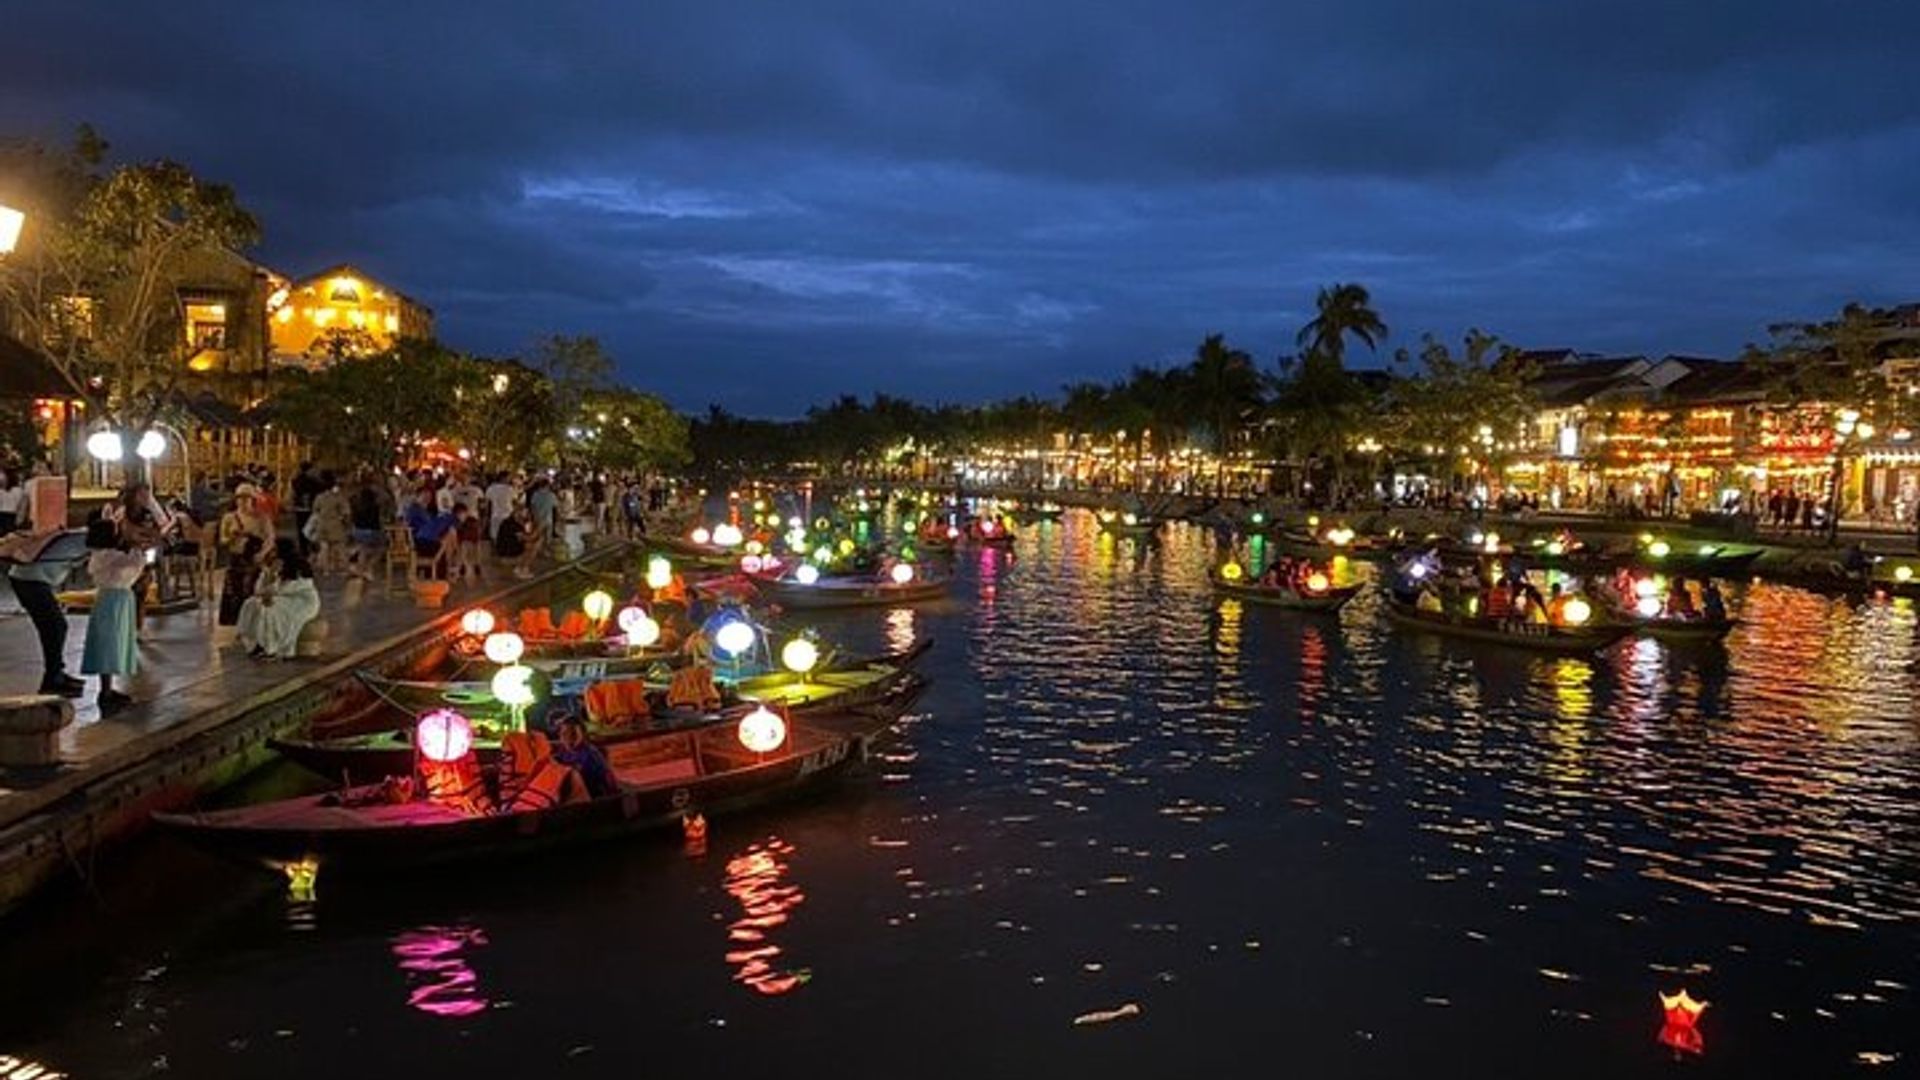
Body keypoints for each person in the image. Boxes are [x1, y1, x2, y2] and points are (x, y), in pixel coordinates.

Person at [80, 518, 145, 713]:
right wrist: (136, 548)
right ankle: (105, 693)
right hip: (114, 601)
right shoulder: (109, 556)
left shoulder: (102, 555)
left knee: (112, 644)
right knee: (108, 645)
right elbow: (135, 566)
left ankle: (107, 689)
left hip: (114, 599)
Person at [237, 539, 321, 660]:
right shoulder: (273, 565)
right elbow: (258, 590)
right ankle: (255, 643)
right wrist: (268, 573)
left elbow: (284, 589)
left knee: (269, 609)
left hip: (301, 601)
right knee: (250, 603)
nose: (271, 552)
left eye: (274, 549)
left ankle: (270, 647)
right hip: (281, 598)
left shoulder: (298, 567)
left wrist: (268, 593)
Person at [553, 717, 617, 798]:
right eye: (564, 734)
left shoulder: (590, 755)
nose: (568, 738)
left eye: (573, 734)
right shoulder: (564, 752)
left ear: (582, 734)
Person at [307, 471, 351, 573]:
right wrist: (346, 523)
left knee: (324, 547)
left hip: (321, 524)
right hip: (335, 524)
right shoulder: (338, 497)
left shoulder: (319, 497)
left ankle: (325, 570)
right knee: (339, 547)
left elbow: (315, 510)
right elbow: (346, 512)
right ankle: (342, 568)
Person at [291, 462, 323, 557]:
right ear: (308, 470)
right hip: (310, 508)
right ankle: (311, 548)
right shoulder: (313, 482)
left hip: (299, 508)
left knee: (301, 529)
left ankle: (303, 550)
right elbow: (320, 489)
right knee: (311, 529)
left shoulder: (296, 480)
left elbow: (294, 493)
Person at [0, 468, 24, 534]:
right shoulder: (18, 490)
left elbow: (21, 507)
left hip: (8, 518)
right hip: (11, 518)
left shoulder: (17, 491)